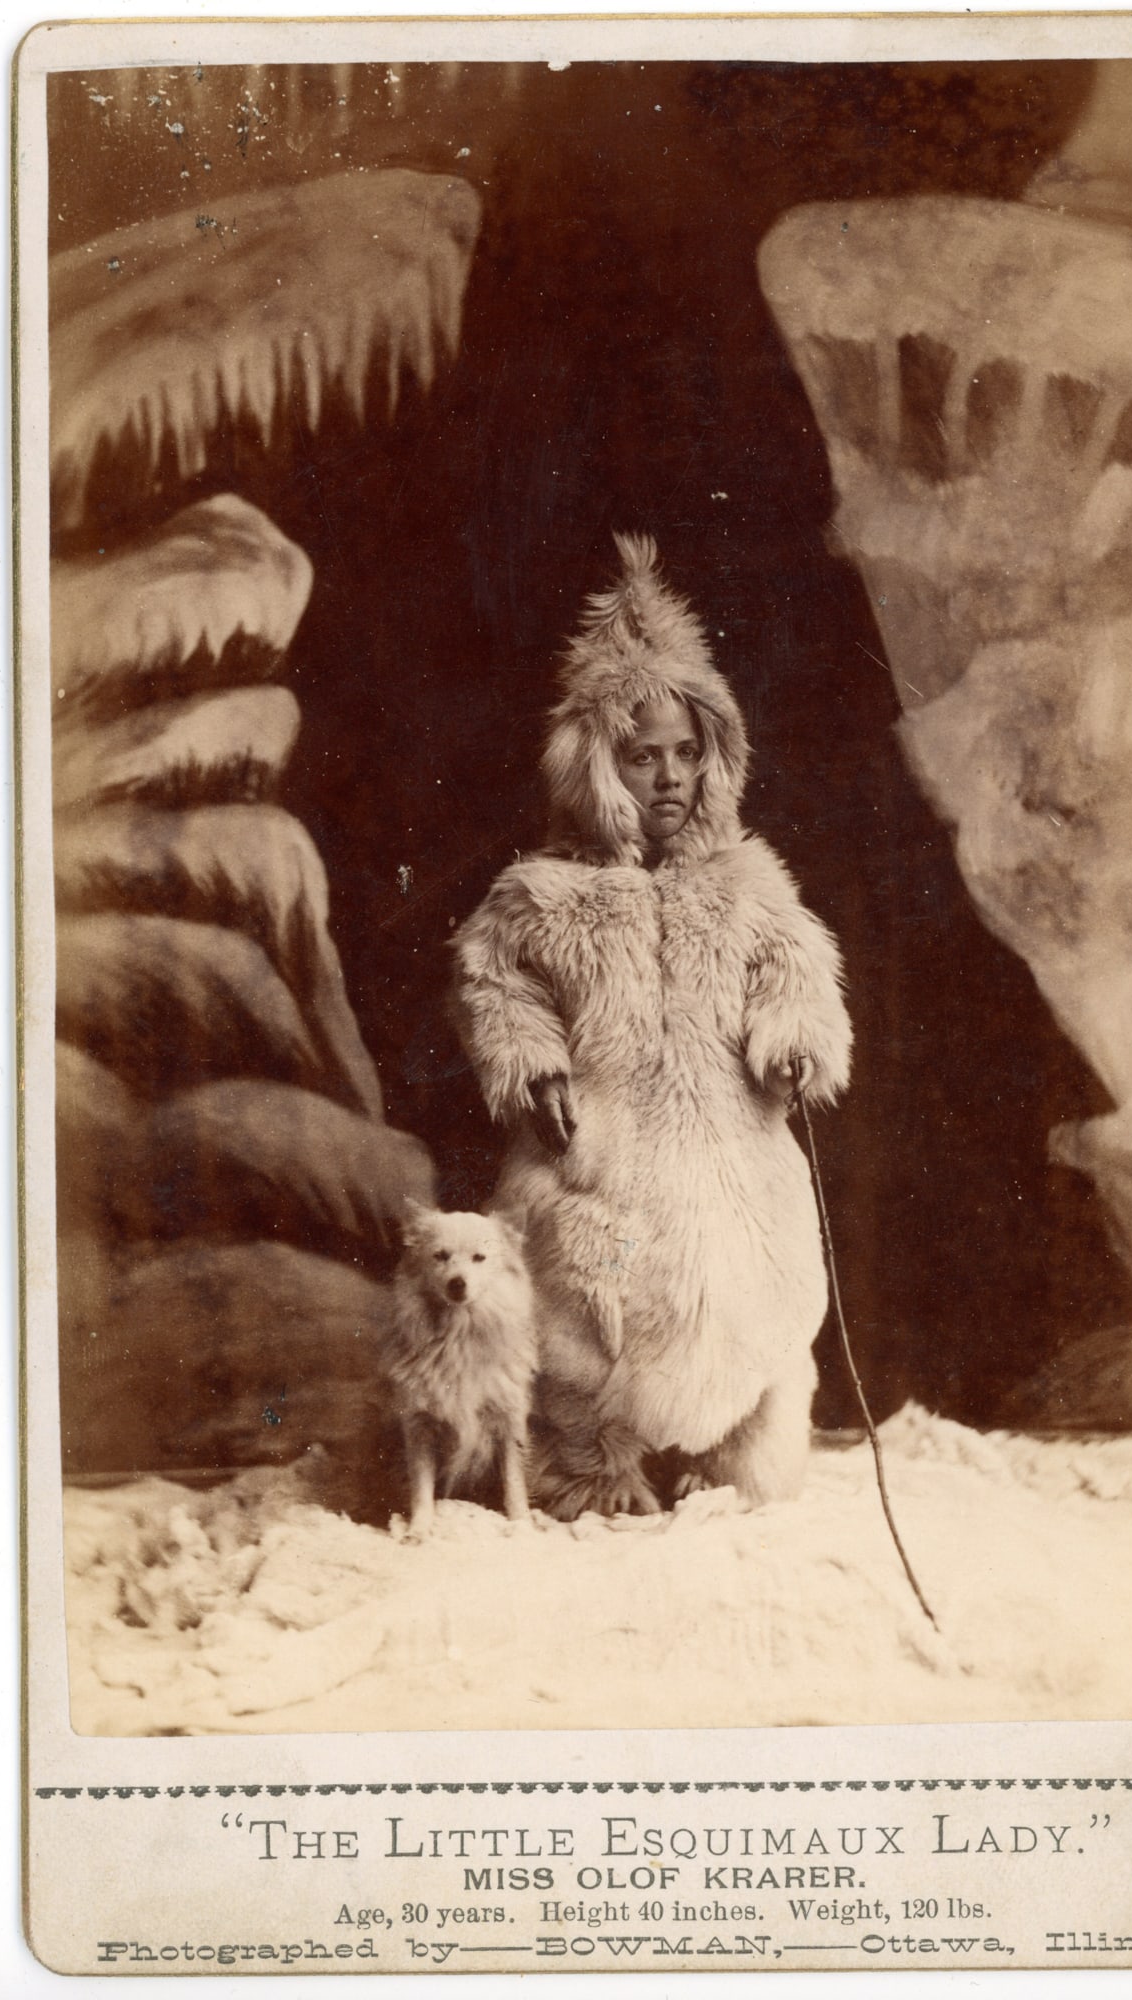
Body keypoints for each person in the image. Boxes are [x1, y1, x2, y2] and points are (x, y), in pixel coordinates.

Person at [452, 534, 852, 1518]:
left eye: (686, 754)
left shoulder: (746, 884)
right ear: (596, 764)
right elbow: (493, 981)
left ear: (714, 758)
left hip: (728, 1158)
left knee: (753, 1304)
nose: (667, 778)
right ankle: (591, 1466)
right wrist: (531, 1059)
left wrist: (794, 1036)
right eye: (641, 756)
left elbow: (796, 967)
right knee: (586, 1320)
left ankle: (731, 1454)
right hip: (604, 1159)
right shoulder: (542, 894)